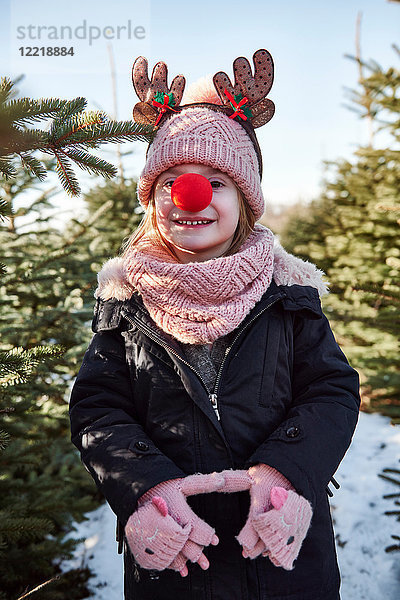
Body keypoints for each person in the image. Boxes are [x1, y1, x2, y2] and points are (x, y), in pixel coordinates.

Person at [69, 49, 360, 600]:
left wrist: (285, 472)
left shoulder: (288, 297)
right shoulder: (126, 304)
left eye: (214, 181)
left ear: (246, 201)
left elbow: (333, 390)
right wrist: (146, 487)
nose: (190, 194)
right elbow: (97, 410)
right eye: (170, 179)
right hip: (176, 561)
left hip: (285, 559)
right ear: (152, 201)